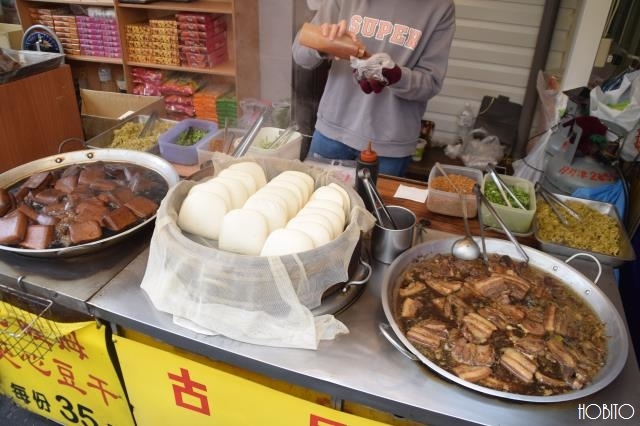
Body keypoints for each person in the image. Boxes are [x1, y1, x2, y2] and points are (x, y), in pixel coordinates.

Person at [292, 1, 455, 176]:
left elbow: (430, 83)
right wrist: (324, 46)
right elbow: (300, 54)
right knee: (318, 200)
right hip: (332, 133)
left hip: (389, 147)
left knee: (373, 205)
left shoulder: (440, 7)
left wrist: (397, 76)